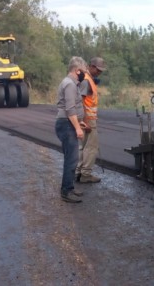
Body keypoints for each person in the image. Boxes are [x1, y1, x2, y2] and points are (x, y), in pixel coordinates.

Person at [55, 56, 89, 203]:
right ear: (77, 70)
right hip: (67, 125)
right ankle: (66, 191)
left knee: (71, 158)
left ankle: (69, 187)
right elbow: (70, 109)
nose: (85, 74)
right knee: (72, 159)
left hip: (68, 123)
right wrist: (77, 128)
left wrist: (79, 123)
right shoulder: (69, 84)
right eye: (84, 72)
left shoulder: (70, 83)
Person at [75, 57, 107, 183]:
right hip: (88, 120)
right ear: (91, 66)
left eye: (101, 71)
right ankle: (86, 174)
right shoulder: (86, 81)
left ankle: (79, 172)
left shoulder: (88, 80)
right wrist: (85, 121)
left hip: (86, 119)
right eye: (98, 70)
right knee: (91, 147)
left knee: (83, 147)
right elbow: (81, 101)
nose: (100, 72)